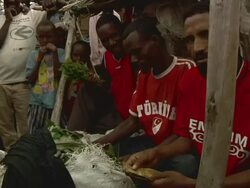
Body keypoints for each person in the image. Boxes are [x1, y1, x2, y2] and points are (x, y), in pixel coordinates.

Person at [125, 1, 250, 187]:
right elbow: (188, 139)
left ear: (233, 34)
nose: (198, 47)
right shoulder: (190, 81)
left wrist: (194, 184)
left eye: (206, 34)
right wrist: (156, 153)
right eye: (190, 40)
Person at [95, 18, 198, 177]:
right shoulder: (144, 75)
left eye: (137, 52)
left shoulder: (186, 70)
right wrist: (97, 144)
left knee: (186, 164)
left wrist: (151, 154)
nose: (135, 60)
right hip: (153, 143)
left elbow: (185, 133)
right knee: (112, 150)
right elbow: (133, 121)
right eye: (131, 55)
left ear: (155, 41)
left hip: (176, 149)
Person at [0, 0, 47, 150]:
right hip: (1, 82)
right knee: (6, 128)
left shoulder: (33, 16)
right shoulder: (0, 19)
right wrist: (8, 21)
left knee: (26, 127)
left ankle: (26, 159)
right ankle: (11, 161)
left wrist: (38, 5)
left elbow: (54, 7)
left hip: (24, 83)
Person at [26, 20, 65, 133]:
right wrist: (39, 59)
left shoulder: (62, 53)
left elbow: (59, 75)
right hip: (37, 103)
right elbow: (30, 79)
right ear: (37, 38)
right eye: (41, 37)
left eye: (49, 37)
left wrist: (55, 53)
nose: (45, 40)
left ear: (55, 37)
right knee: (34, 132)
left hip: (56, 102)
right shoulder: (33, 54)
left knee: (55, 133)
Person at [95, 13, 136, 120]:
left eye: (114, 35)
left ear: (121, 31)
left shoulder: (134, 55)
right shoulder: (106, 58)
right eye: (104, 40)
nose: (111, 43)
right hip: (119, 119)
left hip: (138, 119)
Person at [63, 40, 93, 120]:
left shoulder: (89, 74)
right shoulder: (68, 71)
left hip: (81, 113)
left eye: (82, 56)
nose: (78, 59)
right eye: (75, 55)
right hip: (67, 111)